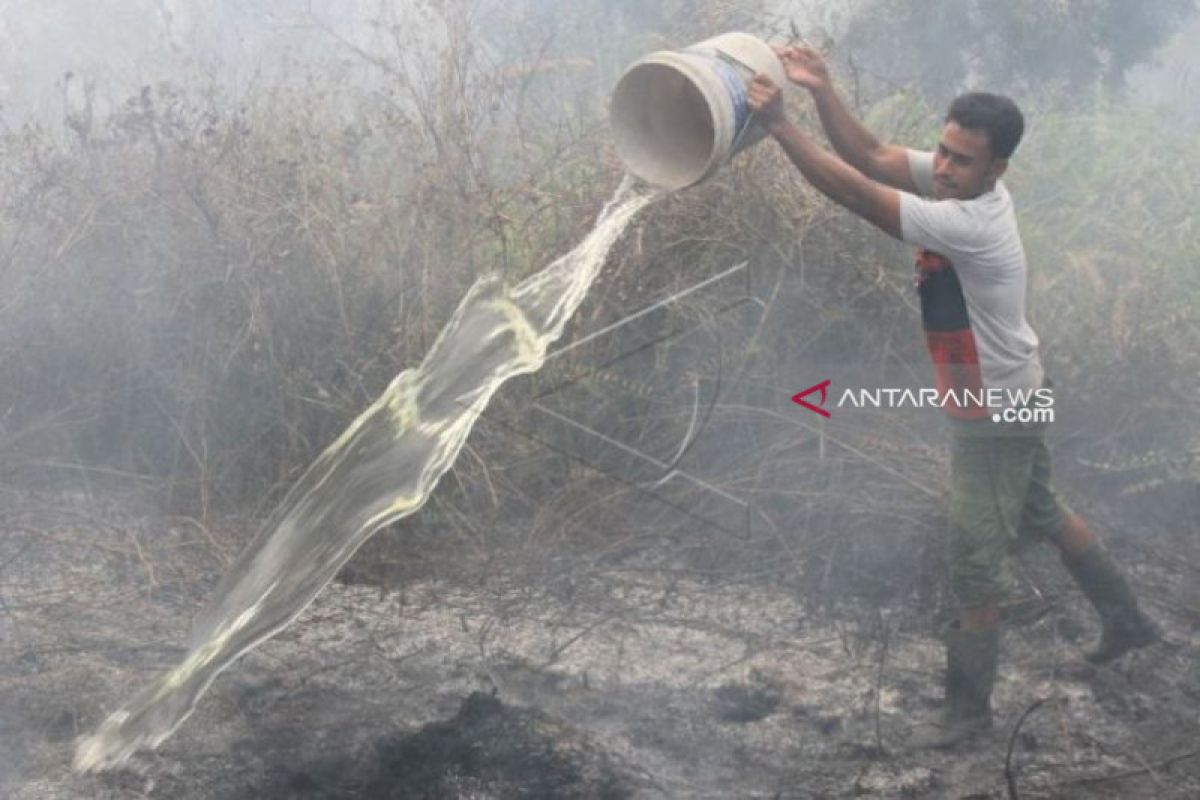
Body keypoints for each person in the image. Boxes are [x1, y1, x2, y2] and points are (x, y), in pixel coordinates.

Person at [745, 46, 1160, 749]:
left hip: (994, 413)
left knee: (973, 559)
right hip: (1022, 392)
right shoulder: (959, 190)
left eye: (961, 161)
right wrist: (821, 91)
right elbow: (873, 153)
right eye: (941, 150)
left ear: (997, 170)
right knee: (1041, 507)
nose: (942, 167)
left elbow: (853, 191)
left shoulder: (969, 223)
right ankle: (1128, 621)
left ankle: (967, 716)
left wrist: (782, 127)